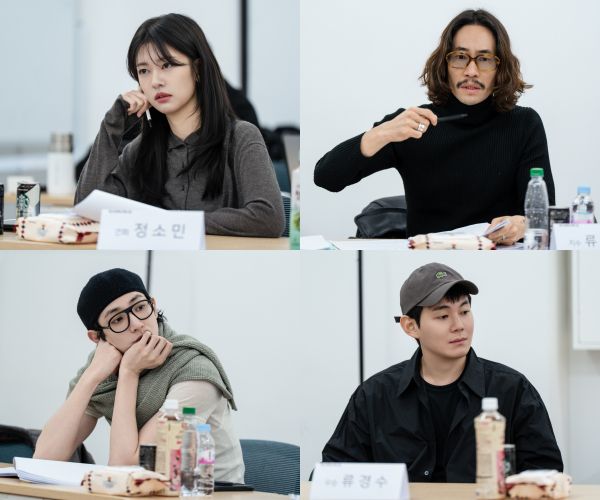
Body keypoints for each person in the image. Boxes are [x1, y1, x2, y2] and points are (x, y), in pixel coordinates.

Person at [314, 9, 555, 245]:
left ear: (499, 68)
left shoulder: (524, 124)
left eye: (484, 59)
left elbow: (545, 217)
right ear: (445, 64)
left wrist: (522, 225)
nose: (471, 71)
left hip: (498, 254)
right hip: (426, 252)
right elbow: (326, 177)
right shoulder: (414, 124)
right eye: (460, 57)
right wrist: (382, 132)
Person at [321, 262, 563, 483]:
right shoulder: (375, 395)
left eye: (464, 312)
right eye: (443, 316)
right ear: (411, 326)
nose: (459, 325)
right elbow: (333, 474)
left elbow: (545, 474)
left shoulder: (513, 390)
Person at [75, 13, 285, 238]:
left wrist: (174, 222)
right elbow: (86, 207)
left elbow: (268, 217)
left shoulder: (241, 137)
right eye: (144, 71)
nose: (155, 81)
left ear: (197, 69)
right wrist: (111, 127)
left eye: (167, 65)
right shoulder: (140, 149)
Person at [34, 268, 245, 483]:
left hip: (208, 492)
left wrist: (129, 372)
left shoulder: (193, 369)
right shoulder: (103, 368)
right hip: (147, 492)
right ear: (97, 337)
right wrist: (90, 377)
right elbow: (43, 460)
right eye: (118, 319)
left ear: (153, 305)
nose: (136, 324)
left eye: (140, 307)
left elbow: (126, 467)